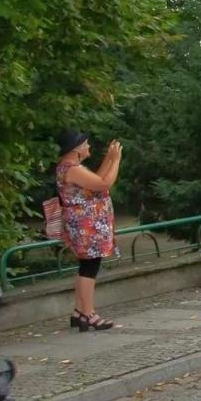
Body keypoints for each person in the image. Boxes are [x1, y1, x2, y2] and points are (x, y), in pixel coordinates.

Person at [54, 129, 119, 329]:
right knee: (89, 267)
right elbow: (103, 183)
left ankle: (78, 311)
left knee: (86, 266)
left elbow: (95, 180)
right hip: (85, 226)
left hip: (85, 224)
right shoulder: (71, 169)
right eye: (86, 143)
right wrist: (116, 160)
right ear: (77, 148)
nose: (89, 146)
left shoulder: (72, 167)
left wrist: (108, 159)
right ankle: (88, 314)